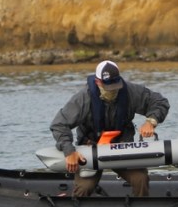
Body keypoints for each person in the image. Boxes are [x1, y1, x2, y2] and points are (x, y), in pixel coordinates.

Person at [50, 60, 170, 197]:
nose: (112, 90)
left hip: (122, 147)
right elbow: (59, 124)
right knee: (84, 188)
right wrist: (69, 151)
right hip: (91, 150)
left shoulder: (131, 91)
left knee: (140, 179)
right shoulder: (83, 98)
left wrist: (151, 121)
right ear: (98, 82)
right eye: (108, 86)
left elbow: (160, 102)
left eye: (115, 86)